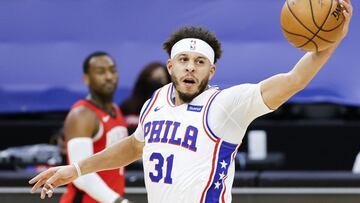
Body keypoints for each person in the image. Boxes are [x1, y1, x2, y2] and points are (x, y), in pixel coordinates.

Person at [29, 1, 352, 202]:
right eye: (183, 59)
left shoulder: (227, 105)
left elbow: (293, 80)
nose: (190, 67)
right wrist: (76, 168)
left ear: (212, 70)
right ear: (170, 66)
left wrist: (332, 40)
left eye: (199, 62)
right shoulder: (155, 100)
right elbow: (133, 146)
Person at [56, 51, 132, 203]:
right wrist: (118, 201)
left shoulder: (116, 110)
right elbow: (80, 176)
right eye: (101, 72)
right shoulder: (81, 115)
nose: (109, 76)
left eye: (112, 70)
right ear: (86, 78)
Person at [120, 62, 170, 135]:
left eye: (159, 79)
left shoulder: (170, 109)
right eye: (151, 79)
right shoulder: (127, 106)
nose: (154, 84)